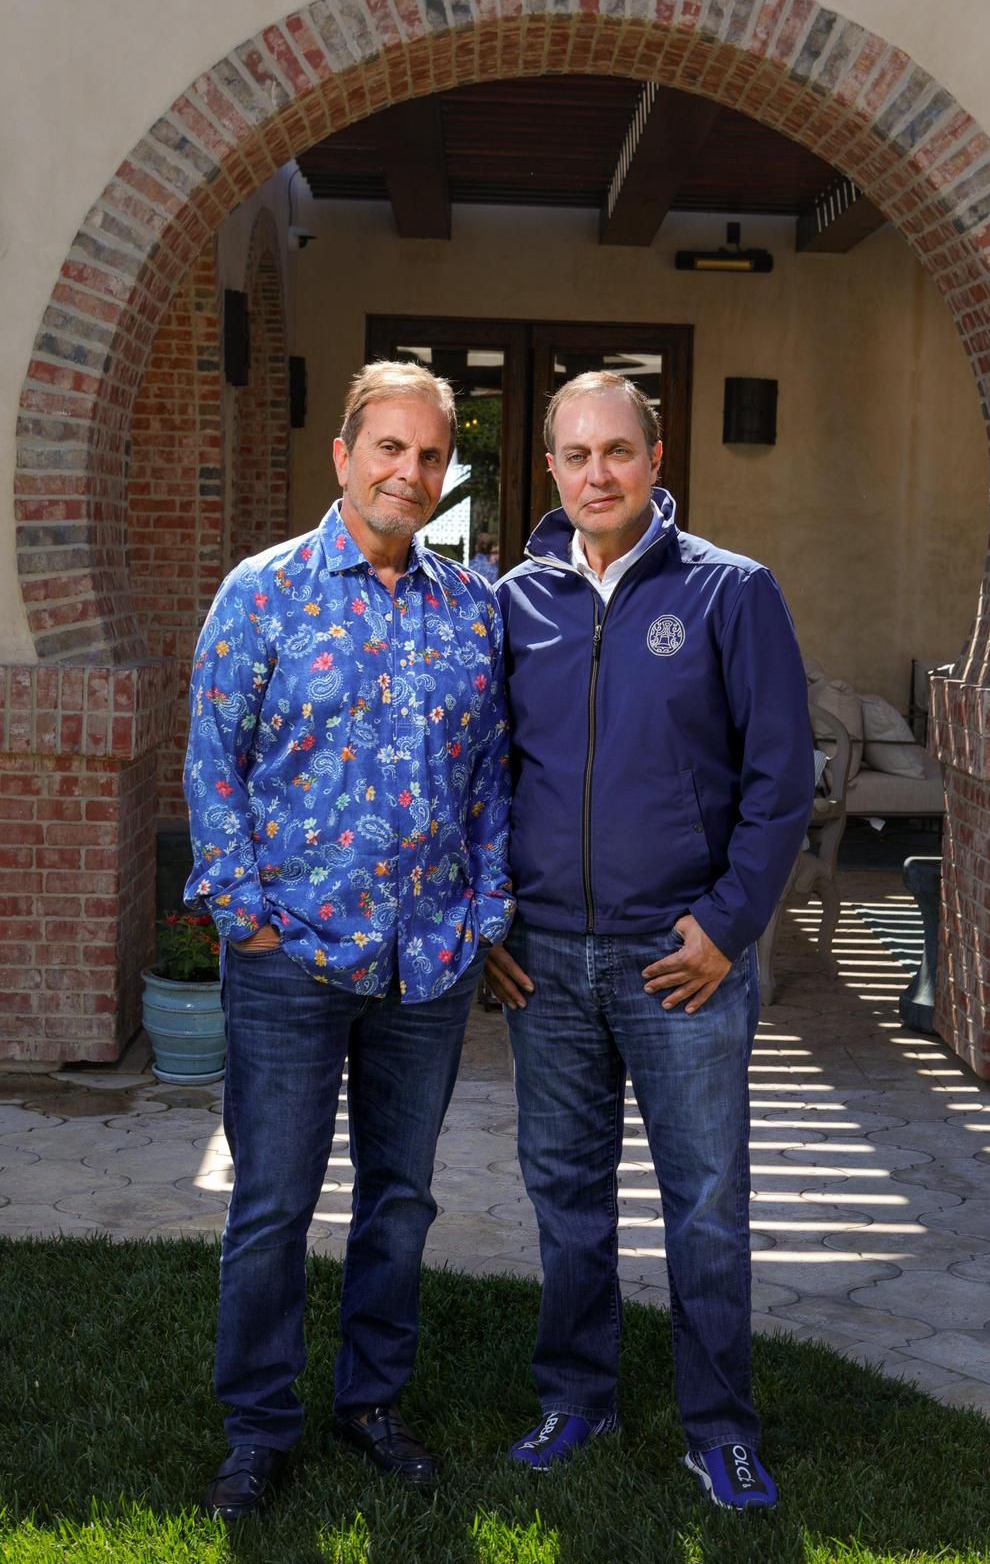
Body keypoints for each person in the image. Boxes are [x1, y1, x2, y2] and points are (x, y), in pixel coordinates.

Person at [184, 361, 513, 1520]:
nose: (409, 473)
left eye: (431, 456)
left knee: (401, 1199)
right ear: (343, 454)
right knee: (272, 1199)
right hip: (290, 964)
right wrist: (246, 917)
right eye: (390, 448)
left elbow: (489, 782)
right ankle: (259, 1430)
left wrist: (482, 916)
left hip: (423, 965)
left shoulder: (472, 608)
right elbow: (212, 763)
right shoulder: (261, 594)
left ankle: (373, 1403)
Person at [486, 371, 813, 1513]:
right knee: (567, 1197)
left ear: (657, 458)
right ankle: (577, 1397)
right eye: (575, 456)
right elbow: (487, 772)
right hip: (547, 963)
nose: (597, 475)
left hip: (681, 966)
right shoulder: (514, 600)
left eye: (617, 452)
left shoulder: (732, 592)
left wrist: (726, 929)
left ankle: (719, 1427)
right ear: (551, 469)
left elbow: (783, 781)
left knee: (708, 1206)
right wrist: (494, 920)